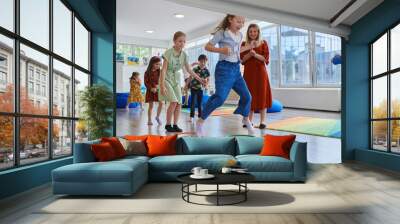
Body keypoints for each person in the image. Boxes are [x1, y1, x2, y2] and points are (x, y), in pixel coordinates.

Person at [196, 14, 254, 136]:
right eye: (238, 22)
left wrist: (249, 47)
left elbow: (236, 51)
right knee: (220, 99)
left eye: (243, 23)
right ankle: (200, 121)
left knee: (247, 96)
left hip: (236, 69)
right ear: (230, 20)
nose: (241, 25)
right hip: (224, 69)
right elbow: (207, 46)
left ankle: (245, 118)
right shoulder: (222, 33)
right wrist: (221, 50)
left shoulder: (240, 35)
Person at [159, 31, 206, 133]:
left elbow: (189, 70)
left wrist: (200, 79)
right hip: (166, 78)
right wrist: (162, 85)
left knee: (179, 102)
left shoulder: (184, 55)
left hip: (176, 79)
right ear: (174, 41)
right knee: (174, 101)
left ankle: (175, 124)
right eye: (180, 41)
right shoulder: (168, 53)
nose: (182, 43)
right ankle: (168, 124)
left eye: (184, 41)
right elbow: (163, 70)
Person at [240, 24, 272, 129]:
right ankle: (248, 121)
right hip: (249, 74)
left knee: (262, 95)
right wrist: (249, 54)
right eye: (251, 32)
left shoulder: (263, 43)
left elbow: (265, 59)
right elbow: (242, 60)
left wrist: (255, 55)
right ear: (248, 33)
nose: (253, 33)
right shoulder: (244, 44)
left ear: (258, 32)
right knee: (249, 96)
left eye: (255, 31)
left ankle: (263, 121)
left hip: (261, 74)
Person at [189, 54, 210, 122]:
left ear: (206, 62)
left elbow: (208, 79)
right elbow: (190, 77)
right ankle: (191, 116)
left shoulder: (206, 70)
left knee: (199, 103)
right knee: (192, 103)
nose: (203, 63)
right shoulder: (195, 69)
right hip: (193, 88)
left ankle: (200, 116)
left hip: (200, 89)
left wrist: (206, 85)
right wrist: (186, 85)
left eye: (204, 61)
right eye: (201, 61)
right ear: (199, 61)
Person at [144, 56, 163, 125]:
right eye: (156, 64)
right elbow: (146, 82)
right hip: (150, 91)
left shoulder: (159, 71)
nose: (158, 66)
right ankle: (149, 120)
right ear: (152, 63)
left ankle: (157, 117)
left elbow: (161, 80)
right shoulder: (147, 72)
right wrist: (151, 88)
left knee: (161, 103)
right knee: (151, 106)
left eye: (159, 64)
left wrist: (159, 86)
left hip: (158, 90)